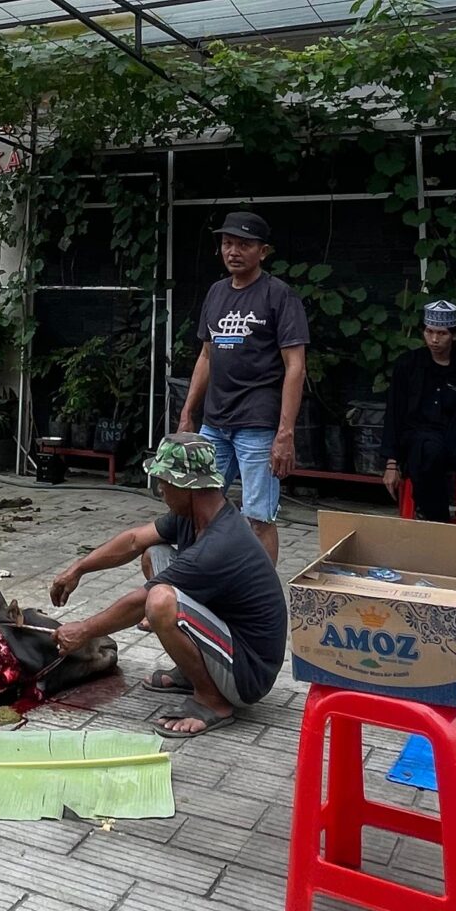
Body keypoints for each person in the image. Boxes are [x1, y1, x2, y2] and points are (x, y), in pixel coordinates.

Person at [48, 433, 287, 739]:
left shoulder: (220, 544)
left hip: (248, 672)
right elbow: (134, 540)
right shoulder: (197, 515)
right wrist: (78, 569)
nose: (160, 488)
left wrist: (83, 630)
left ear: (187, 486)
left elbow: (140, 603)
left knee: (160, 602)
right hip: (229, 641)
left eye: (164, 480)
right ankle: (194, 674)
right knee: (155, 553)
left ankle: (214, 701)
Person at [177, 208, 308, 561]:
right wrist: (188, 413)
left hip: (258, 424)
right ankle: (198, 588)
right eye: (227, 243)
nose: (233, 251)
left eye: (244, 245)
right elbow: (206, 356)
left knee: (259, 516)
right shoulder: (216, 293)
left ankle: (260, 602)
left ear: (263, 251)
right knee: (199, 506)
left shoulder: (279, 295)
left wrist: (285, 433)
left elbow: (295, 366)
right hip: (215, 423)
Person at [380, 300, 456, 526]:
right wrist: (391, 462)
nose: (435, 340)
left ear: (454, 335)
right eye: (429, 332)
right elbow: (394, 413)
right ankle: (436, 517)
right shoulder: (408, 364)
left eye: (442, 333)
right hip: (418, 435)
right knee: (430, 453)